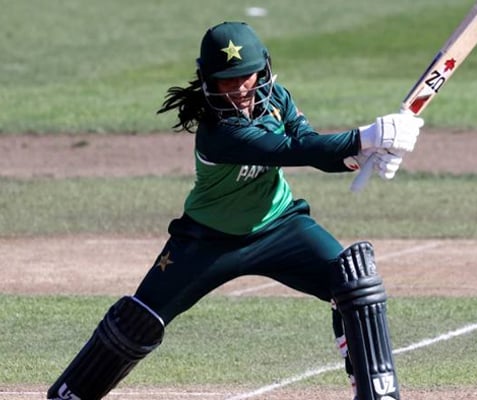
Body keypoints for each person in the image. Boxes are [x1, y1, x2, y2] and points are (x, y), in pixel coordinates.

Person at [47, 21, 423, 400]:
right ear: (208, 81)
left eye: (248, 76)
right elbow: (289, 152)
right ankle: (70, 394)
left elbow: (308, 144)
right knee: (138, 321)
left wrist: (360, 157)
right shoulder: (219, 133)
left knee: (353, 280)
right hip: (207, 242)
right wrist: (366, 136)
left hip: (280, 226)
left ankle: (376, 392)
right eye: (228, 80)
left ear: (263, 68)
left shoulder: (277, 98)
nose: (241, 88)